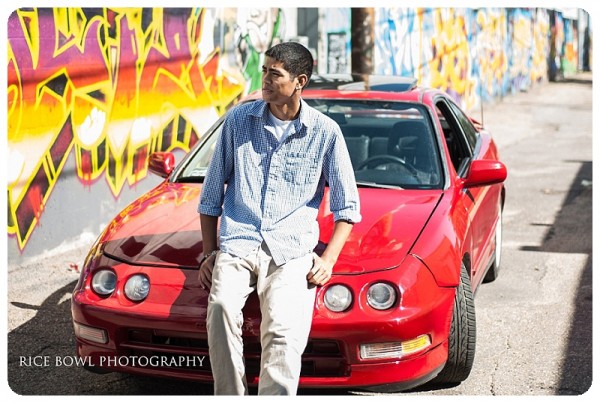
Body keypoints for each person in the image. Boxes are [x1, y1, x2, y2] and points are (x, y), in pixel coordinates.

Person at [197, 41, 361, 395]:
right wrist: (210, 252)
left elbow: (348, 207)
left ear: (299, 81)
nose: (265, 80)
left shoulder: (325, 132)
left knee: (284, 332)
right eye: (265, 70)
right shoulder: (238, 120)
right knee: (221, 306)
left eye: (275, 73)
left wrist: (329, 260)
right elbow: (211, 195)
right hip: (239, 240)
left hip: (292, 248)